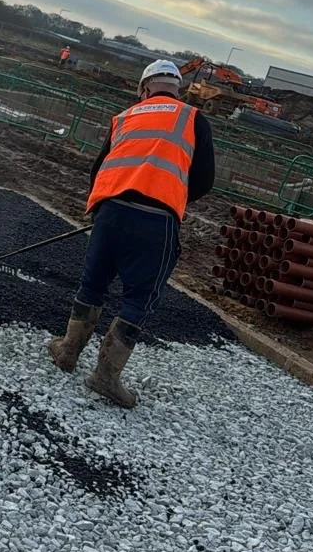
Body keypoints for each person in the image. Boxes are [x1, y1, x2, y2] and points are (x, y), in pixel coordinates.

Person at [48, 59, 215, 407]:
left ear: (143, 88)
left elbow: (100, 167)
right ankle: (105, 377)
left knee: (92, 284)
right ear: (177, 89)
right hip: (156, 220)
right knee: (139, 297)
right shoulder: (192, 118)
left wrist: (109, 207)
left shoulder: (126, 116)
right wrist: (170, 195)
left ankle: (67, 351)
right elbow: (203, 180)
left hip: (110, 212)